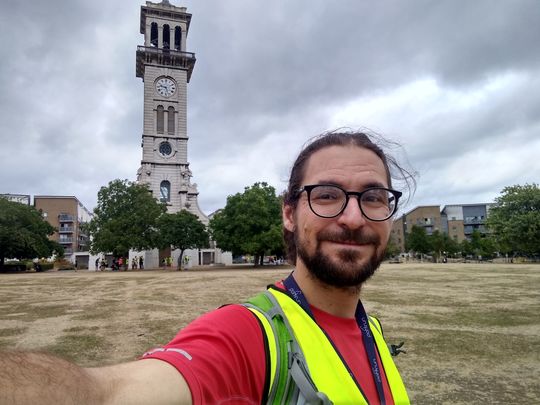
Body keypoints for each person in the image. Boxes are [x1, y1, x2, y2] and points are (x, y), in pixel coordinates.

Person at [0, 130, 415, 404]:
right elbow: (108, 395)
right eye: (326, 195)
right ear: (289, 213)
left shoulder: (372, 330)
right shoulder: (250, 335)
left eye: (374, 197)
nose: (353, 217)